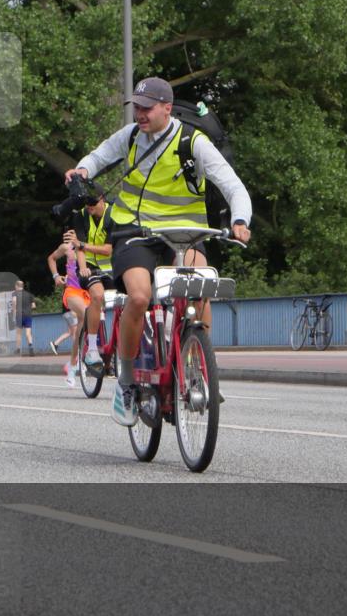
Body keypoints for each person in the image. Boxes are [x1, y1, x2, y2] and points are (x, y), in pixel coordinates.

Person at [65, 76, 251, 424]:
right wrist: (82, 170)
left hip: (185, 233)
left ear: (167, 107)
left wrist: (240, 220)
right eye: (136, 107)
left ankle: (198, 367)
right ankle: (125, 384)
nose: (140, 114)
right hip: (134, 231)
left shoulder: (192, 142)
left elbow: (232, 185)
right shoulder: (132, 136)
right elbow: (100, 155)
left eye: (147, 108)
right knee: (138, 297)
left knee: (201, 292)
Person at [64, 186, 113, 372]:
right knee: (97, 296)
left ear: (103, 199)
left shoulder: (113, 215)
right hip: (91, 268)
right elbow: (79, 247)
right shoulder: (82, 216)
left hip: (113, 267)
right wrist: (82, 267)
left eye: (93, 203)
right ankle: (92, 348)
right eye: (87, 203)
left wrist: (82, 244)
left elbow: (108, 249)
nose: (89, 207)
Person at [48, 233, 92, 387]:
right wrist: (56, 276)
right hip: (73, 291)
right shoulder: (66, 248)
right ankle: (86, 356)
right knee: (86, 315)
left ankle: (73, 365)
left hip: (89, 291)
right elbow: (51, 258)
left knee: (80, 330)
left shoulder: (90, 245)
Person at [11, 280, 36, 356]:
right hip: (28, 315)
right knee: (28, 333)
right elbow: (34, 306)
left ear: (16, 286)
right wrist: (27, 308)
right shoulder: (30, 295)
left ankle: (18, 349)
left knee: (18, 333)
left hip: (19, 315)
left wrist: (14, 312)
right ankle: (31, 347)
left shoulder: (15, 293)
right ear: (23, 286)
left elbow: (14, 302)